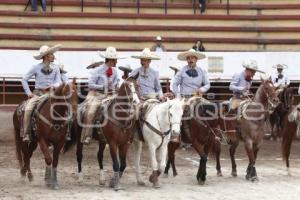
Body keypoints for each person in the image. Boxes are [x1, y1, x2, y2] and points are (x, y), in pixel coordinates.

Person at [21, 44, 62, 142]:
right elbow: (24, 79)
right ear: (46, 56)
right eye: (52, 54)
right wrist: (29, 93)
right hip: (38, 94)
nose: (54, 56)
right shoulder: (35, 67)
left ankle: (65, 132)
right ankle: (26, 133)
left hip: (51, 94)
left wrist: (54, 86)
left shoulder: (56, 68)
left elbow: (59, 81)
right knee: (28, 109)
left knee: (64, 108)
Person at [81, 46, 121, 144]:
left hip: (111, 95)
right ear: (111, 60)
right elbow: (90, 84)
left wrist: (116, 86)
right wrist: (102, 87)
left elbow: (116, 83)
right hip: (98, 95)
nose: (116, 61)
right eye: (115, 59)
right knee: (90, 113)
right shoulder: (97, 70)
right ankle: (87, 135)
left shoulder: (115, 71)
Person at [171, 49, 209, 142]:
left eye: (192, 58)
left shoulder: (202, 71)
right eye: (188, 58)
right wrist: (178, 96)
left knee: (211, 109)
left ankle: (211, 133)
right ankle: (177, 136)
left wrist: (202, 89)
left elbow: (208, 84)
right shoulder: (181, 71)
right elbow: (174, 84)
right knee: (178, 113)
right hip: (185, 97)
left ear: (196, 59)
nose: (190, 60)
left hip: (197, 97)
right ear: (186, 60)